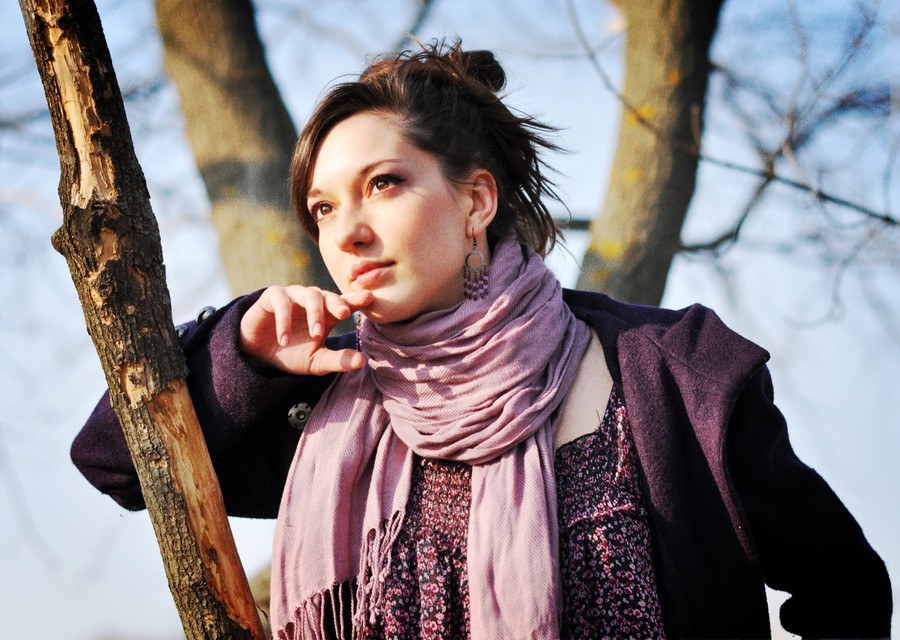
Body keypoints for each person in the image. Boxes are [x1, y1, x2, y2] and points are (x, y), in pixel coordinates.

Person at [72, 42, 891, 639]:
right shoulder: (324, 403)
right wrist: (240, 352)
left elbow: (845, 589)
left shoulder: (672, 374)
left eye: (383, 184)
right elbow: (116, 461)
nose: (347, 231)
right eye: (323, 208)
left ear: (476, 201)